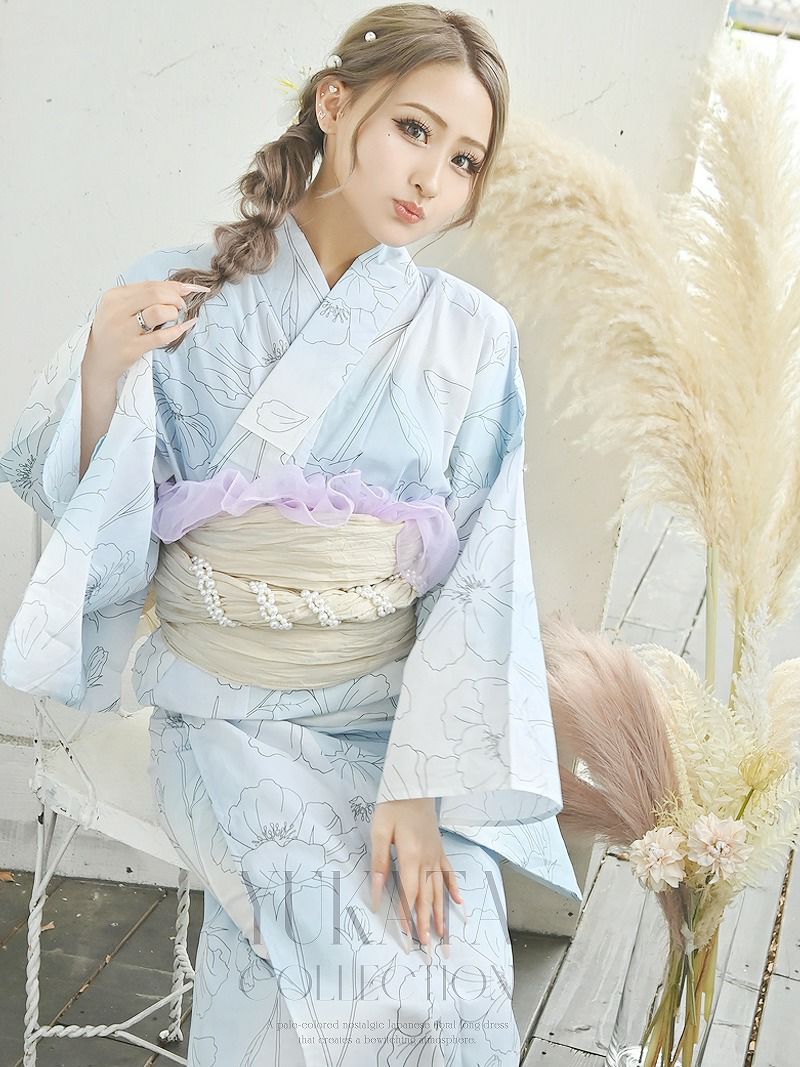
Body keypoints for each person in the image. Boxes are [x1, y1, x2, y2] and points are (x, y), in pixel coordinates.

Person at [0, 4, 581, 1063]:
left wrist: (416, 783)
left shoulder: (473, 338)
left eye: (463, 160)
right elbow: (97, 522)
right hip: (225, 715)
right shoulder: (183, 292)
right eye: (412, 129)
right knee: (340, 950)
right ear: (334, 102)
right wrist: (101, 370)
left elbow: (483, 574)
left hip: (393, 725)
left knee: (456, 974)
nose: (430, 179)